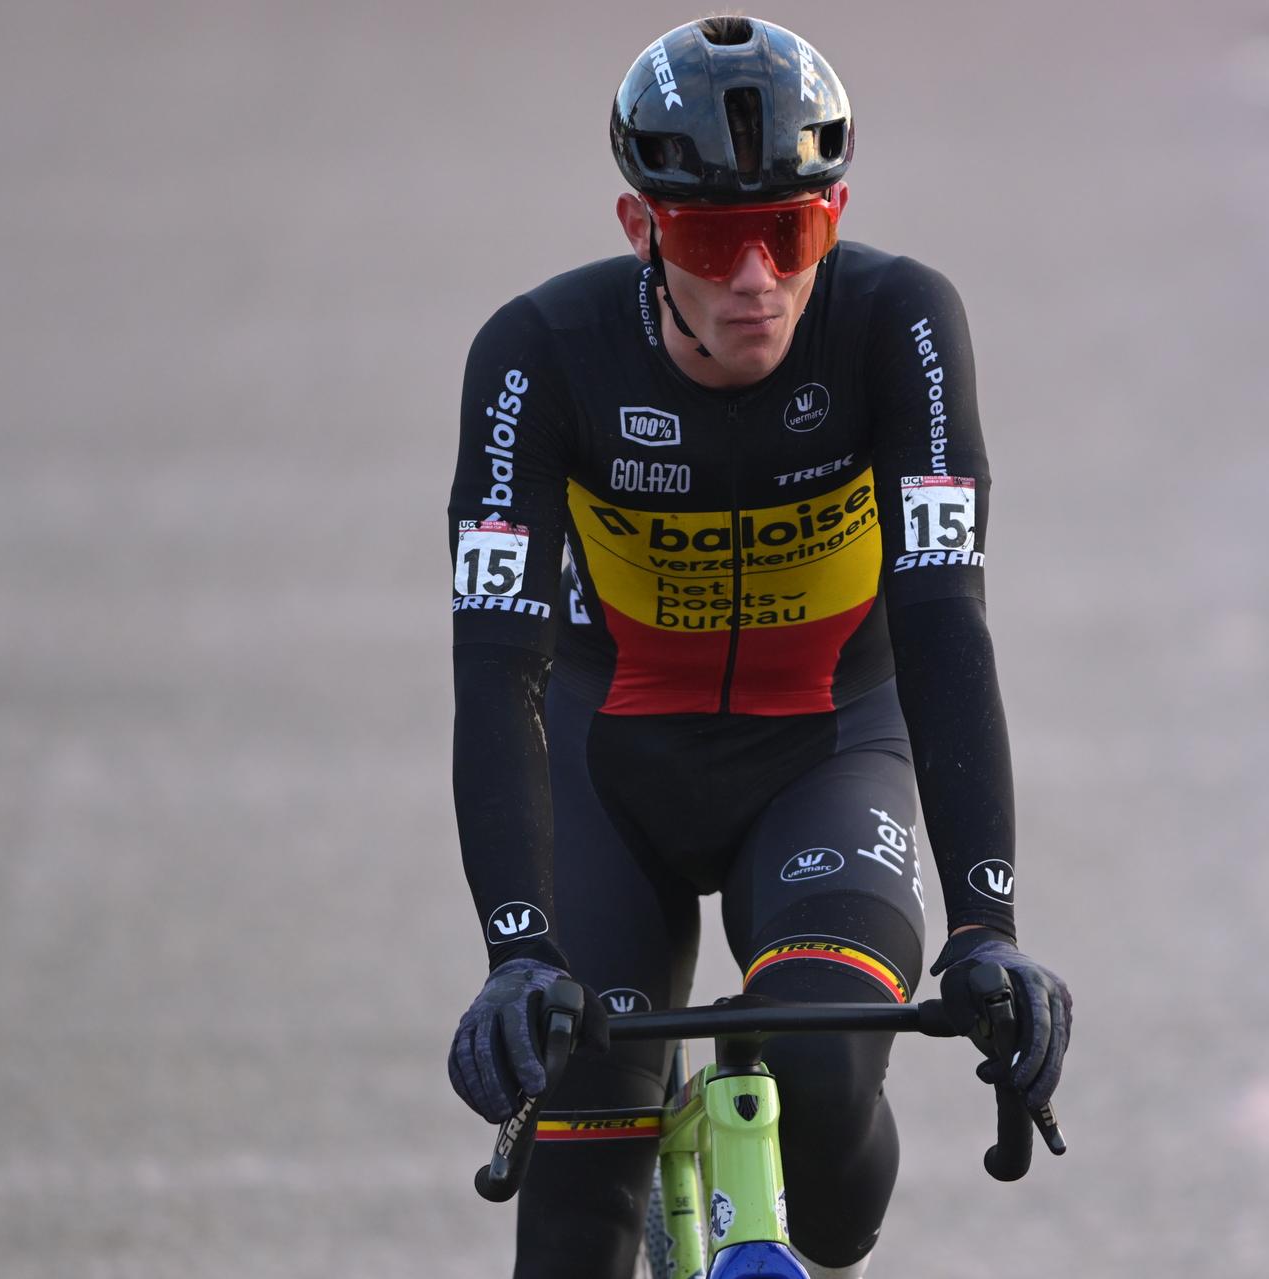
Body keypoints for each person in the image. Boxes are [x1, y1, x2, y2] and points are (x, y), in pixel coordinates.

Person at [445, 16, 1072, 1278]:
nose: (755, 278)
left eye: (789, 233)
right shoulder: (538, 357)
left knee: (822, 1096)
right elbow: (495, 666)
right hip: (607, 766)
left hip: (828, 753)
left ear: (832, 215)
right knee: (576, 1216)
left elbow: (946, 623)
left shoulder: (899, 325)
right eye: (712, 238)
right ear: (641, 230)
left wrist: (985, 924)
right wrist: (518, 951)